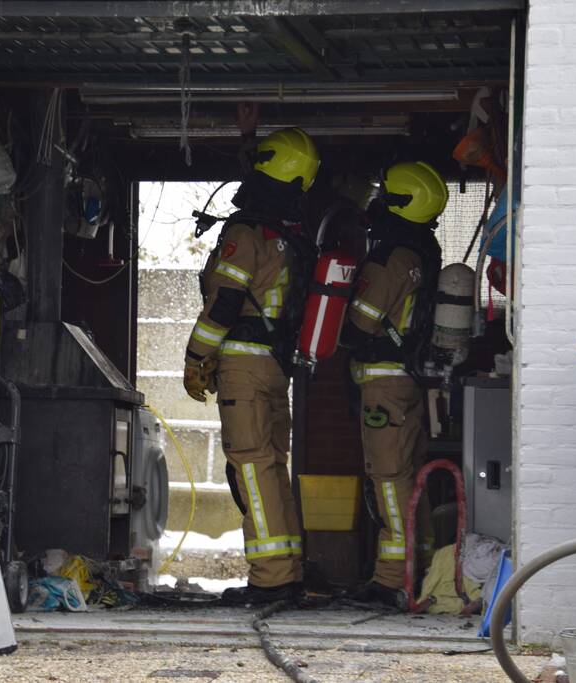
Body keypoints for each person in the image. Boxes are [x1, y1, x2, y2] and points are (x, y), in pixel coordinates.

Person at [182, 127, 319, 605]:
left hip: (242, 366)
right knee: (271, 468)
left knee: (252, 471)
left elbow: (224, 304)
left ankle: (271, 579)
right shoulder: (291, 236)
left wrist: (195, 357)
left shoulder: (247, 233)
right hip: (275, 369)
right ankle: (286, 569)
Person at [341, 161, 447, 608]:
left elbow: (360, 322)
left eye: (386, 195)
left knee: (388, 478)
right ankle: (417, 568)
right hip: (407, 382)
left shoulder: (391, 258)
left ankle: (392, 581)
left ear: (401, 203)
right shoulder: (423, 252)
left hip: (383, 384)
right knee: (408, 477)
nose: (378, 202)